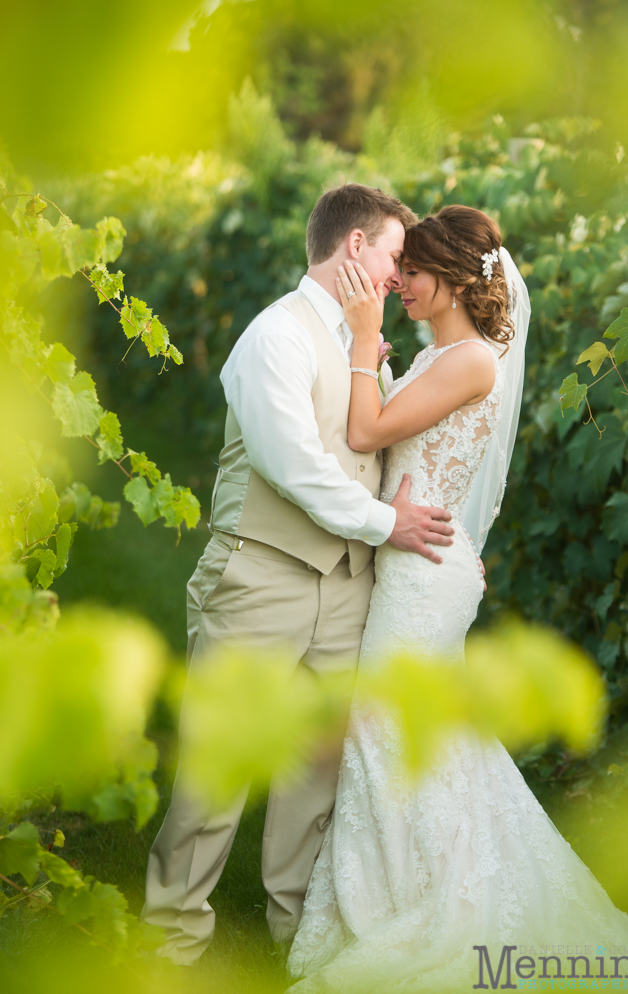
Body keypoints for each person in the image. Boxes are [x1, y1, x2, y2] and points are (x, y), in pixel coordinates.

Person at [286, 205, 628, 992]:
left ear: (457, 278)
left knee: (394, 729)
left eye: (414, 275)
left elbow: (366, 436)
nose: (399, 287)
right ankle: (418, 888)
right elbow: (398, 439)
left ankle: (436, 904)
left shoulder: (472, 362)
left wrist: (361, 343)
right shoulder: (445, 354)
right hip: (421, 559)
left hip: (423, 574)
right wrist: (382, 362)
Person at [141, 184, 456, 965]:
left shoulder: (362, 344)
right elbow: (293, 467)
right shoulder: (271, 338)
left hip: (346, 588)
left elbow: (367, 440)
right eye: (391, 254)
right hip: (261, 577)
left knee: (315, 771)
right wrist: (390, 525)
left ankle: (295, 934)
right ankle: (169, 941)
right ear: (354, 247)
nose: (397, 271)